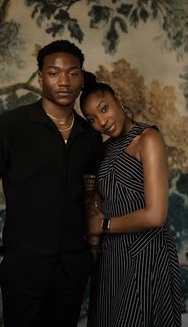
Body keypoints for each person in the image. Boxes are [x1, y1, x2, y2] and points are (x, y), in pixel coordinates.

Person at [0, 41, 103, 327]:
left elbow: (92, 197)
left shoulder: (90, 136)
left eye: (72, 73)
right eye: (54, 73)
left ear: (81, 78)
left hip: (73, 268)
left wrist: (89, 253)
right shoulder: (10, 126)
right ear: (41, 77)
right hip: (22, 269)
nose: (64, 81)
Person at [79, 72, 182, 326]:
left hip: (145, 253)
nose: (102, 121)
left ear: (118, 99)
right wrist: (90, 195)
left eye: (105, 109)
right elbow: (102, 202)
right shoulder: (105, 149)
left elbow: (155, 215)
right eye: (92, 119)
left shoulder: (148, 139)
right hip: (112, 257)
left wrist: (103, 226)